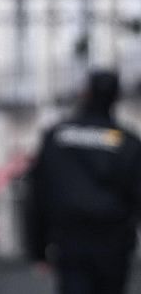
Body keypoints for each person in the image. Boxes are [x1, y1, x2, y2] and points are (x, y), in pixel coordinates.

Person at [26, 69, 141, 294]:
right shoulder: (127, 143)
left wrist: (37, 250)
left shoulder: (57, 137)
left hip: (69, 242)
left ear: (85, 93)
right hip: (114, 243)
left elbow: (37, 196)